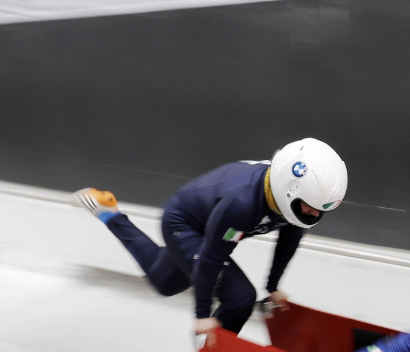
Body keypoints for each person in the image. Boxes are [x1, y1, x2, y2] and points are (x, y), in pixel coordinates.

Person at [70, 138, 347, 341]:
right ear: (290, 188)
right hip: (183, 224)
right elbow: (212, 257)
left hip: (210, 221)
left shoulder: (294, 203)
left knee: (163, 281)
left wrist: (273, 286)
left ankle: (109, 212)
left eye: (322, 209)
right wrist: (202, 316)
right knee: (240, 297)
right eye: (311, 206)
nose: (315, 214)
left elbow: (290, 236)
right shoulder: (241, 204)